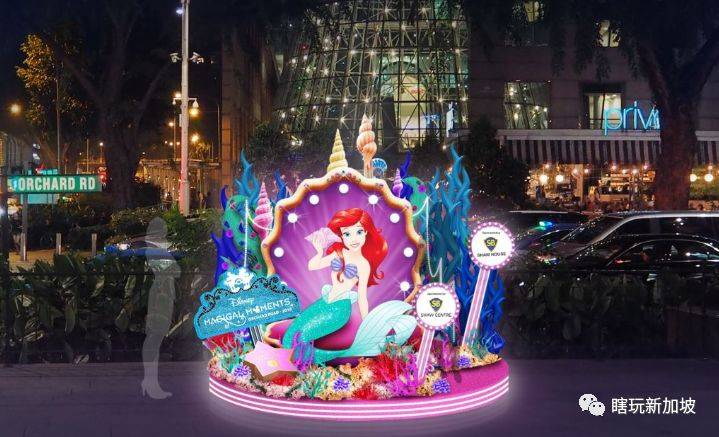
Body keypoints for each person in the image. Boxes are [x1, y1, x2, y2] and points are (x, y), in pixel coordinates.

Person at [280, 208, 414, 365]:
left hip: (339, 310)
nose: (353, 239)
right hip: (324, 302)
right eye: (347, 234)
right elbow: (312, 266)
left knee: (301, 338)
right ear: (341, 236)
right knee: (289, 337)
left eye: (359, 232)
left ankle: (305, 365)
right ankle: (305, 362)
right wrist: (319, 251)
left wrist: (366, 324)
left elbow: (362, 297)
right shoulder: (339, 253)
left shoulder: (363, 265)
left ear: (366, 232)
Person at [141, 218, 181, 399]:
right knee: (154, 337)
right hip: (160, 297)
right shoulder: (155, 251)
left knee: (155, 338)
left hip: (162, 296)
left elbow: (175, 270)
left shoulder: (157, 250)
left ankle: (151, 381)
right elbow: (176, 270)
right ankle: (150, 382)